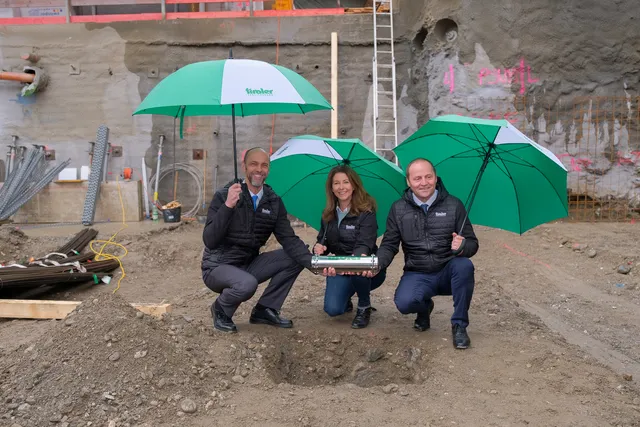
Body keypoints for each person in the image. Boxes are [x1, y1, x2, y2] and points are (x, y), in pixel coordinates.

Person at [363, 158, 479, 349]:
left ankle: (459, 325)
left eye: (428, 177)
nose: (424, 182)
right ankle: (424, 309)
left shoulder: (454, 205)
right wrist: (377, 263)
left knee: (464, 265)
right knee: (404, 303)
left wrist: (463, 245)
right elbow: (389, 244)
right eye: (417, 178)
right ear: (408, 182)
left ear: (435, 177)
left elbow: (473, 244)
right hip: (417, 272)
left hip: (448, 271)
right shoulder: (398, 208)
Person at [201, 147, 313, 333]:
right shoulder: (225, 195)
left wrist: (313, 263)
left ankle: (265, 309)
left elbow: (289, 239)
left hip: (249, 265)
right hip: (217, 267)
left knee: (296, 256)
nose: (259, 169)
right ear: (244, 166)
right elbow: (210, 240)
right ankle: (221, 309)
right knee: (246, 284)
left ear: (268, 170)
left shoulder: (273, 201)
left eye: (264, 165)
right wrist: (228, 206)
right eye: (253, 164)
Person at [312, 165, 387, 329]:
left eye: (345, 182)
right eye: (336, 183)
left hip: (365, 269)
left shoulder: (366, 211)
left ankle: (364, 306)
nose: (341, 187)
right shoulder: (328, 214)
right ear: (331, 188)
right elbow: (322, 241)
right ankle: (346, 296)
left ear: (354, 184)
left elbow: (364, 244)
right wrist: (319, 250)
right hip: (339, 268)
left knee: (359, 268)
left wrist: (353, 262)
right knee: (333, 309)